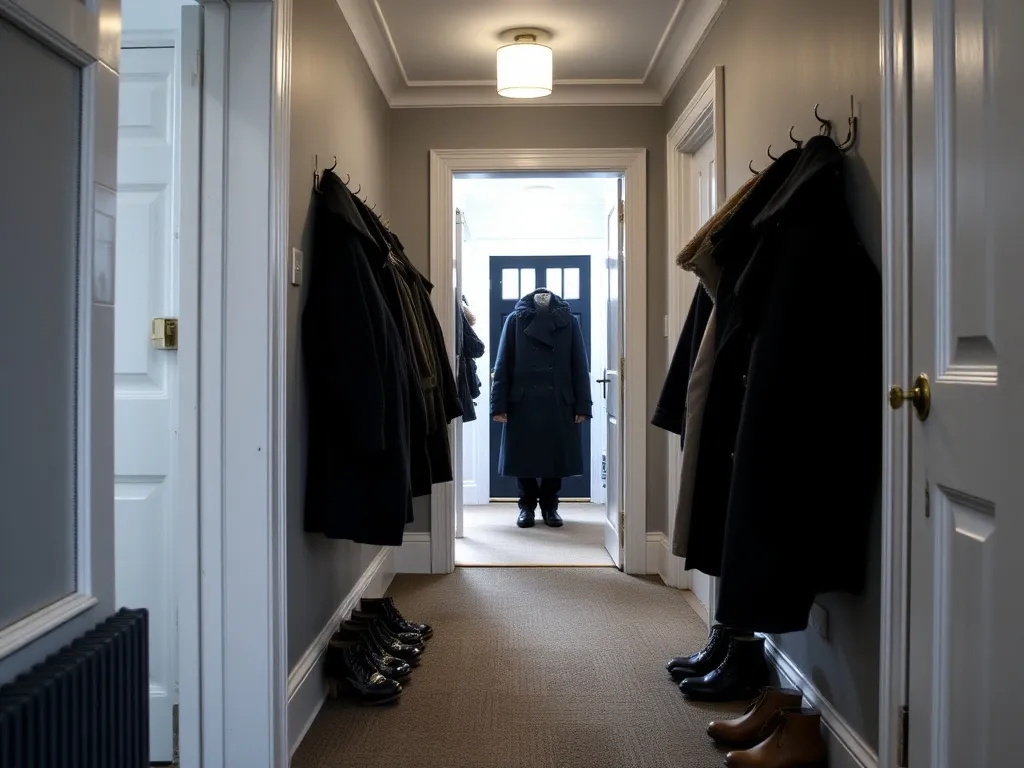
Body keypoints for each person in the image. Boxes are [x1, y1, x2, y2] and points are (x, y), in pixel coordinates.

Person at [490, 288, 592, 528]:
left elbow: (579, 363)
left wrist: (583, 405)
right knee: (523, 457)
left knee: (555, 457)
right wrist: (498, 405)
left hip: (558, 400)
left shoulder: (568, 322)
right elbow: (503, 363)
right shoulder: (515, 320)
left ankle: (550, 505)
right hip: (523, 401)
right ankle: (526, 506)